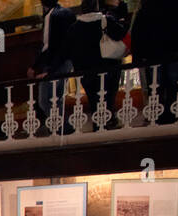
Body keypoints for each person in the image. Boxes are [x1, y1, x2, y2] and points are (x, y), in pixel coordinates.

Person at [130, 0, 178, 124]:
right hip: (175, 50)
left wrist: (138, 54)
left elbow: (139, 26)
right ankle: (172, 116)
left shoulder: (149, 4)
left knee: (156, 87)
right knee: (174, 86)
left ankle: (158, 117)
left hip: (154, 52)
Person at [70, 0, 132, 126]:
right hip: (109, 68)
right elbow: (126, 38)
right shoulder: (106, 21)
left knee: (94, 100)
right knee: (109, 98)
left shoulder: (74, 28)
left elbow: (69, 51)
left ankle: (98, 124)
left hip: (87, 72)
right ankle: (110, 120)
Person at [29, 0, 76, 134]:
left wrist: (42, 68)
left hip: (54, 63)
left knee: (45, 100)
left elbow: (48, 46)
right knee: (57, 99)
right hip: (67, 61)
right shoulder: (67, 13)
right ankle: (59, 128)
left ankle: (62, 128)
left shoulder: (52, 16)